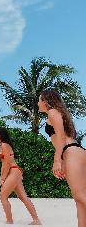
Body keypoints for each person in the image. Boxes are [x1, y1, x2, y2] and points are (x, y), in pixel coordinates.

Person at [39, 89, 86, 227]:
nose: (38, 103)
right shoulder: (58, 113)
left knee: (81, 197)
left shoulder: (53, 112)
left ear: (46, 101)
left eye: (39, 100)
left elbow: (60, 137)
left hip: (71, 152)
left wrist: (57, 161)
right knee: (79, 199)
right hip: (74, 152)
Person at [0, 127, 41, 225]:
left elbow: (7, 163)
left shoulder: (4, 145)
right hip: (15, 171)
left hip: (13, 171)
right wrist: (2, 176)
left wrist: (2, 178)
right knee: (23, 197)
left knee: (2, 196)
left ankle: (9, 221)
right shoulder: (3, 145)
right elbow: (4, 164)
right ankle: (36, 220)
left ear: (0, 135)